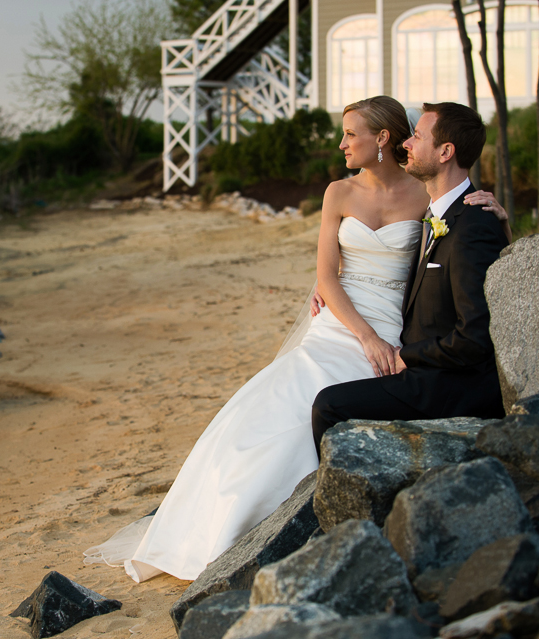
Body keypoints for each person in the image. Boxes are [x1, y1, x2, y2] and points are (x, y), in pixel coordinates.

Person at [84, 97, 508, 583]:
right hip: (344, 322)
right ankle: (234, 530)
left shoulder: (426, 194)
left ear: (383, 139)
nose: (342, 143)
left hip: (398, 327)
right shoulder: (338, 193)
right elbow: (327, 276)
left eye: (351, 134)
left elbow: (455, 243)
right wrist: (360, 330)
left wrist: (496, 211)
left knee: (340, 402)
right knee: (272, 409)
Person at [311, 102, 510, 455]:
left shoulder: (472, 221)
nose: (407, 144)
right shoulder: (439, 210)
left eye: (417, 137)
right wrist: (326, 283)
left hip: (438, 377)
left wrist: (408, 357)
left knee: (329, 404)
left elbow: (475, 335)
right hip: (401, 345)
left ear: (446, 151)